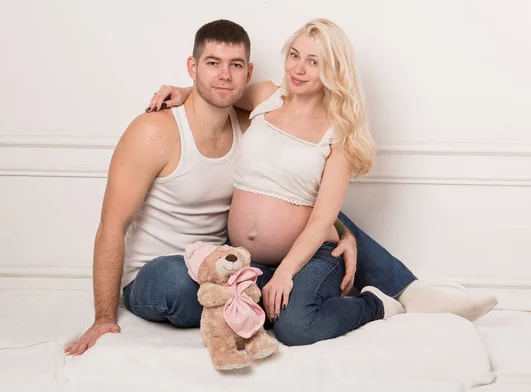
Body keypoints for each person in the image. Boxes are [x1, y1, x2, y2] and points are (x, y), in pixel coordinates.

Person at [64, 18, 496, 356]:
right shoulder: (264, 99)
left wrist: (336, 237)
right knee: (178, 281)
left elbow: (316, 209)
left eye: (315, 60)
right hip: (225, 265)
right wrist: (181, 90)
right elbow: (219, 91)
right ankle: (279, 298)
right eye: (294, 55)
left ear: (334, 71)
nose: (299, 67)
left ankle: (393, 297)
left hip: (273, 262)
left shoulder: (328, 131)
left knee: (299, 321)